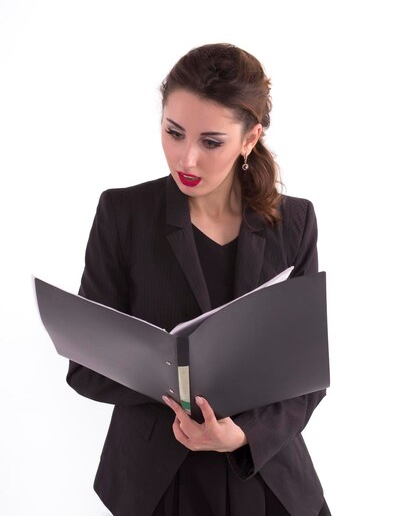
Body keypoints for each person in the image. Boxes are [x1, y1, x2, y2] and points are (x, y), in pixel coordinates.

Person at [66, 43, 331, 516]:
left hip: (266, 477)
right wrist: (172, 382)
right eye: (173, 133)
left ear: (249, 140)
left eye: (211, 142)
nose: (185, 159)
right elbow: (85, 368)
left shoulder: (295, 223)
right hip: (157, 483)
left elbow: (307, 378)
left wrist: (242, 434)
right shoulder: (122, 215)